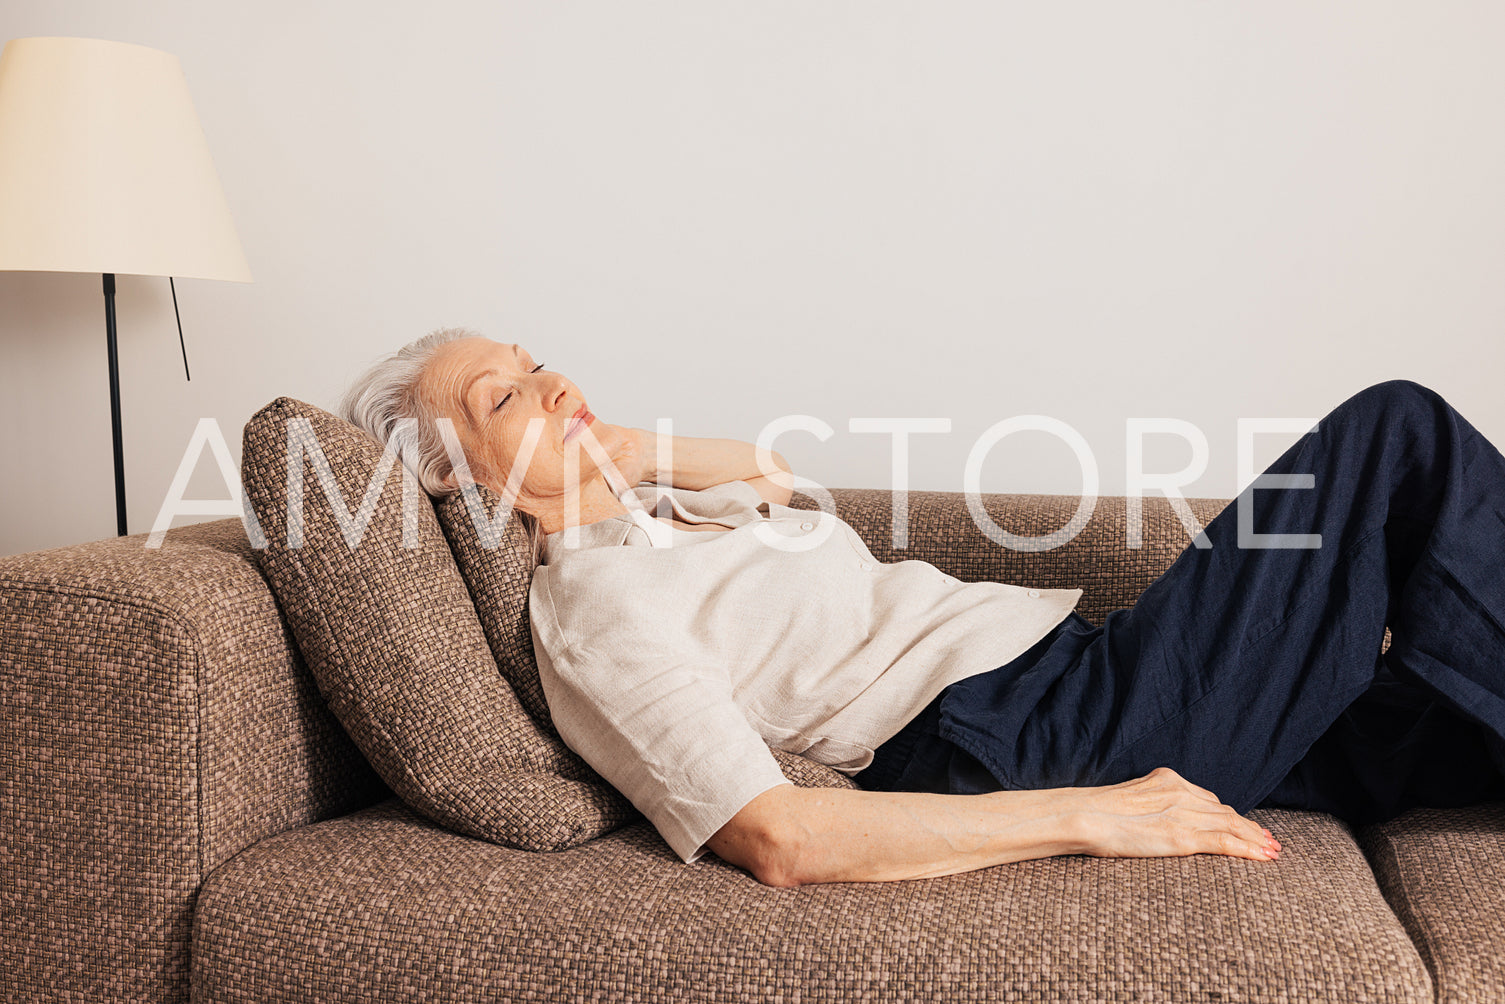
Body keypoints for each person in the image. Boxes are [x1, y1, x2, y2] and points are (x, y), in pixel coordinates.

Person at [341, 327, 1505, 887]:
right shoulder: (594, 610)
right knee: (1391, 435)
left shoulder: (661, 514)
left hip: (1074, 668)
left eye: (539, 356)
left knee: (1435, 722)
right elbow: (777, 835)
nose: (553, 380)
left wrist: (617, 445)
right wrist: (1087, 813)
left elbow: (771, 474)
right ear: (458, 474)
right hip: (1033, 731)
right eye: (505, 395)